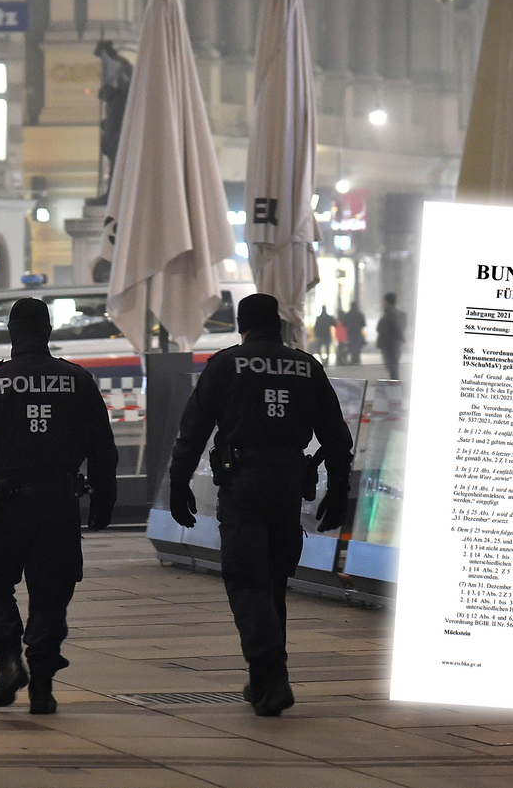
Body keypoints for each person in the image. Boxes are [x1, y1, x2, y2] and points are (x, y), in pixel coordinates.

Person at [167, 293, 355, 717]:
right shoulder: (307, 366)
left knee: (247, 579)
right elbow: (335, 436)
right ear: (280, 325)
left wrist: (179, 483)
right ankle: (263, 679)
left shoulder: (227, 364)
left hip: (244, 485)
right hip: (289, 485)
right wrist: (340, 488)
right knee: (272, 582)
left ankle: (272, 674)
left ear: (241, 325)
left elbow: (192, 430)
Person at [0, 298, 118, 715]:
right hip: (58, 505)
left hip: (5, 504)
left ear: (11, 333)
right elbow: (102, 448)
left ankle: (7, 658)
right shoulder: (77, 380)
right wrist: (104, 498)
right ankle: (42, 684)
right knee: (51, 593)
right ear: (48, 332)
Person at [376, 292, 406, 381]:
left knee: (392, 367)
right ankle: (394, 384)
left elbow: (396, 328)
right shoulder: (392, 313)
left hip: (389, 345)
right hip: (390, 344)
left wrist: (400, 338)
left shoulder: (390, 314)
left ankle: (395, 385)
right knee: (392, 367)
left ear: (386, 302)